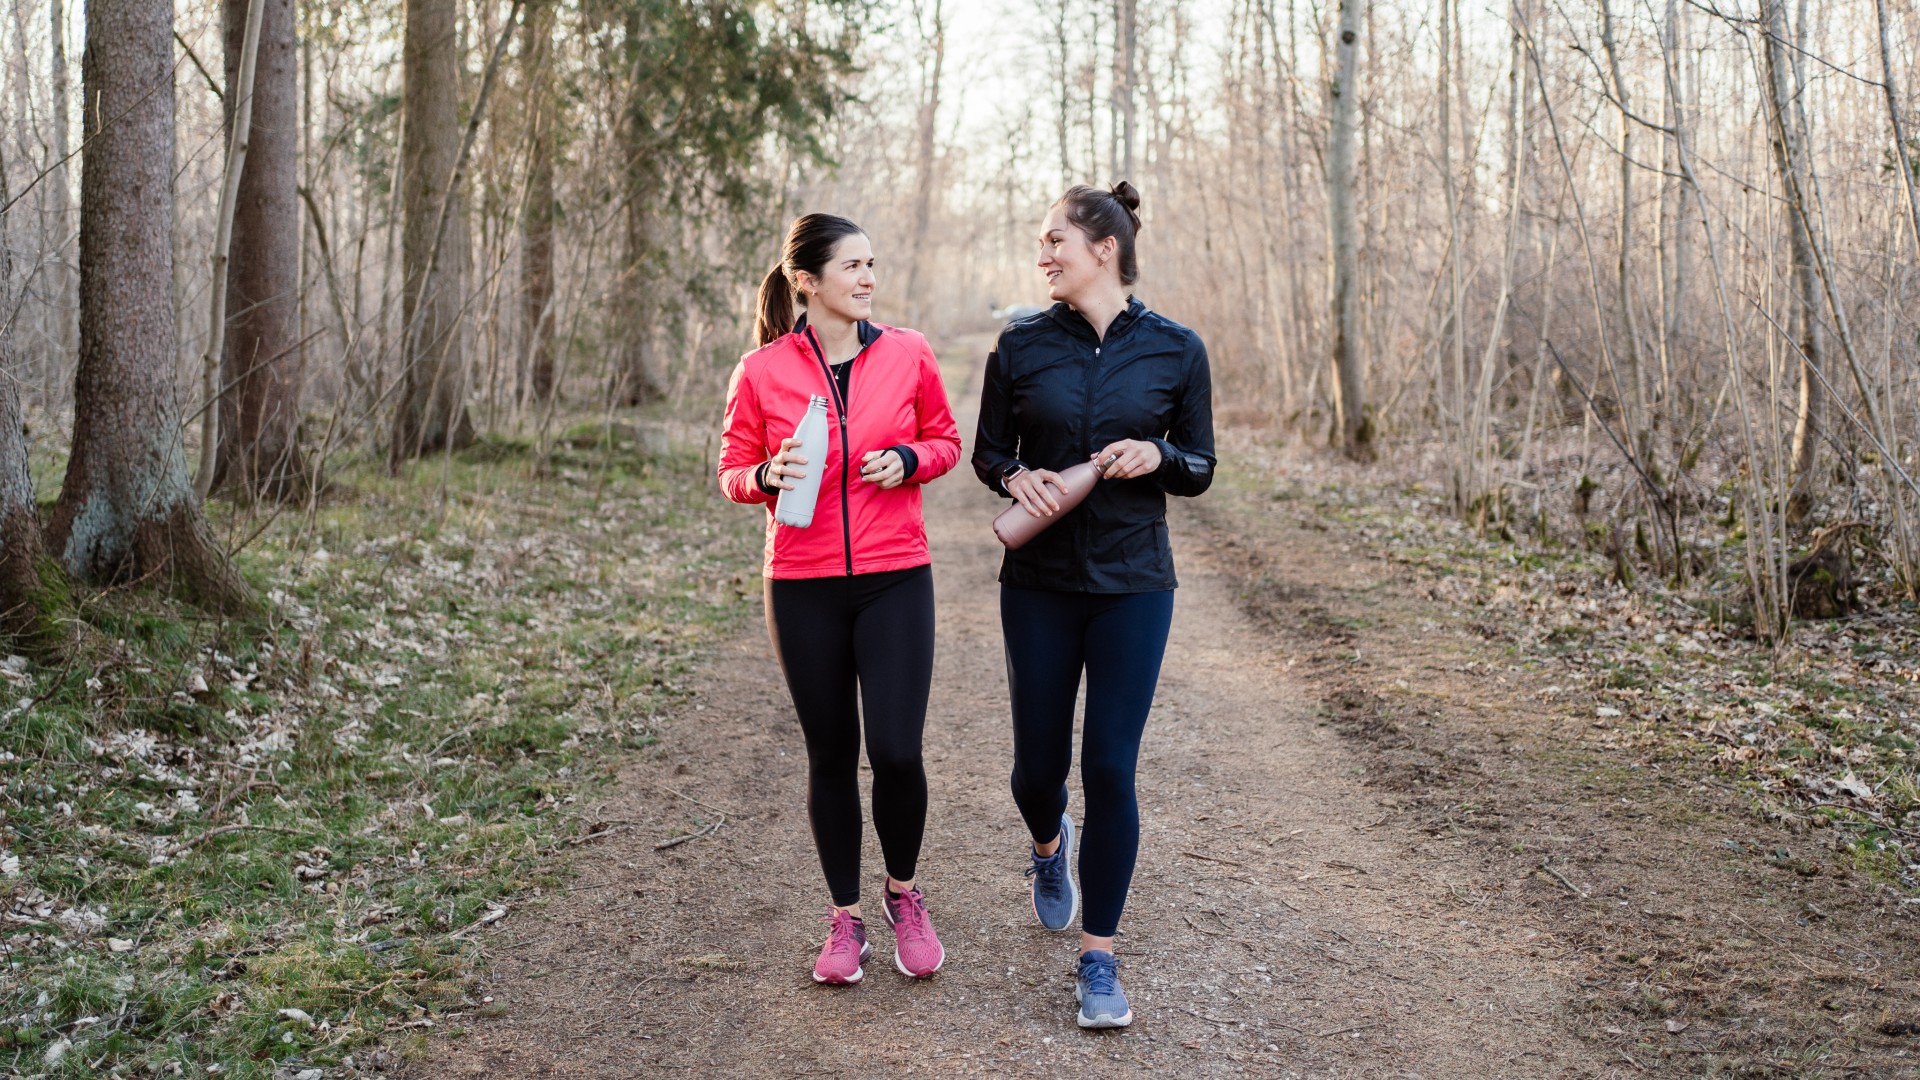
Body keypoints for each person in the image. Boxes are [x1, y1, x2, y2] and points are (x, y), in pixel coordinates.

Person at [972, 182, 1215, 1028]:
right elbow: (989, 453)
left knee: (1110, 766)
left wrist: (1157, 453)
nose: (1042, 255)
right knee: (1036, 773)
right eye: (1040, 243)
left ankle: (1099, 959)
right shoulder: (1021, 345)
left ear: (1103, 248)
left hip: (1134, 586)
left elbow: (1201, 464)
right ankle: (1049, 845)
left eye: (1054, 242)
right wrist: (1016, 476)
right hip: (1038, 587)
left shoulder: (1176, 350)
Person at [718, 213, 961, 984]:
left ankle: (904, 895)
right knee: (831, 754)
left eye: (872, 265)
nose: (867, 279)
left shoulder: (910, 353)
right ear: (807, 281)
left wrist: (908, 458)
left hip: (895, 577)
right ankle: (844, 920)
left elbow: (948, 440)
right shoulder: (760, 371)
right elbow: (731, 469)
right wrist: (763, 479)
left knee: (895, 750)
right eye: (852, 266)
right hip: (801, 584)